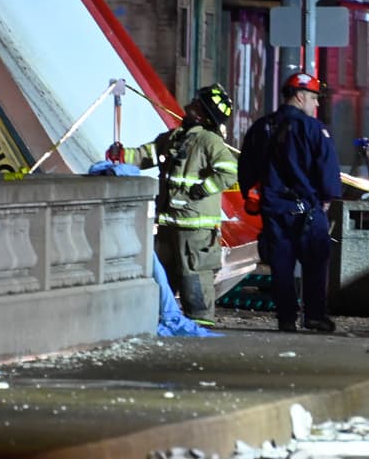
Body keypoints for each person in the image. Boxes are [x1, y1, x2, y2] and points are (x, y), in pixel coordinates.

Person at [237, 72, 343, 334]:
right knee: (316, 262)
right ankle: (315, 316)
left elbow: (245, 170)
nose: (316, 104)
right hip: (307, 209)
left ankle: (286, 318)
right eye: (314, 98)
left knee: (281, 265)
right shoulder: (314, 130)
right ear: (300, 96)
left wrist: (254, 196)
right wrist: (327, 199)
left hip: (274, 209)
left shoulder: (260, 127)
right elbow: (326, 169)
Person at [129, 84, 238, 326]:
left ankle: (200, 322)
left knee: (195, 274)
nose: (190, 105)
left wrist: (201, 189)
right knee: (163, 273)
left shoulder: (209, 141)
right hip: (170, 222)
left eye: (196, 103)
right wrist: (120, 156)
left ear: (202, 112)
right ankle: (160, 318)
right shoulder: (176, 137)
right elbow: (145, 155)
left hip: (196, 227)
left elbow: (229, 171)